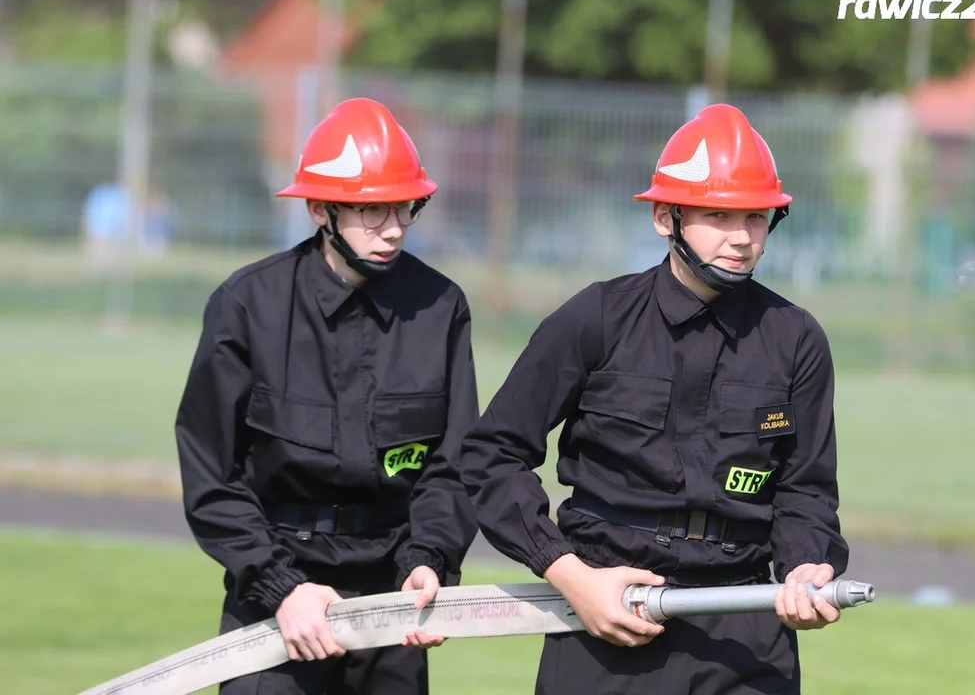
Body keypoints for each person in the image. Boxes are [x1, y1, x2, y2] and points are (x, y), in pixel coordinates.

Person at [456, 103, 849, 694]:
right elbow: (491, 456)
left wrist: (803, 570)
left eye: (758, 217)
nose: (742, 238)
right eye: (719, 215)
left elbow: (806, 490)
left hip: (743, 622)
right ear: (667, 217)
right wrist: (569, 576)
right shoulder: (595, 319)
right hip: (608, 615)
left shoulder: (796, 339)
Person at [175, 98, 479, 695]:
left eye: (405, 207)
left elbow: (454, 464)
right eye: (372, 210)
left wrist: (430, 560)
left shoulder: (441, 307)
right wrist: (281, 588)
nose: (393, 227)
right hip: (277, 593)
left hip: (393, 593)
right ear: (320, 209)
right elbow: (211, 476)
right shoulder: (247, 307)